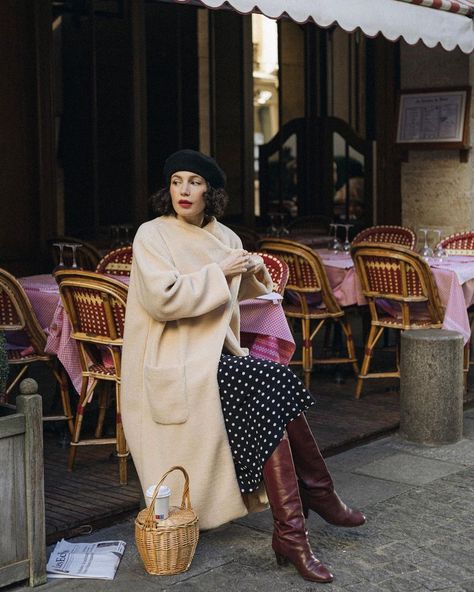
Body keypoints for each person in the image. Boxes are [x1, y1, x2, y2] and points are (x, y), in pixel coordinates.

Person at [121, 149, 365, 583]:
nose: (183, 190)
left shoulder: (227, 237)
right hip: (173, 359)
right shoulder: (151, 235)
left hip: (215, 355)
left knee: (273, 387)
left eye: (194, 182)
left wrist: (252, 270)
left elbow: (244, 298)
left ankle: (294, 529)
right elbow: (163, 300)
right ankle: (315, 500)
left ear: (209, 192)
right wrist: (221, 270)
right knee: (275, 379)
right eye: (177, 181)